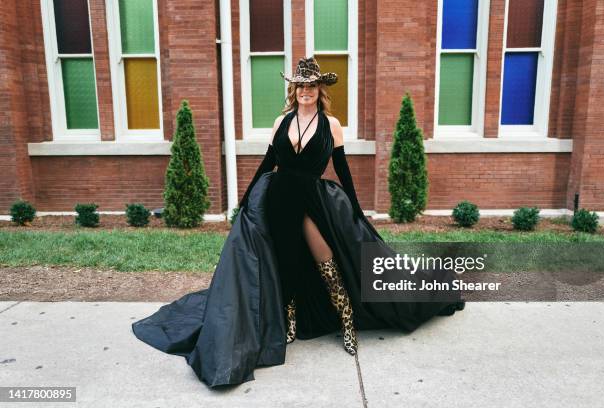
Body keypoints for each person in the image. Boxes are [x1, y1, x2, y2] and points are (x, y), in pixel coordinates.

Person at [132, 56, 465, 388]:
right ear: (295, 89)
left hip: (311, 202)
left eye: (311, 85)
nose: (306, 90)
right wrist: (246, 200)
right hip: (278, 200)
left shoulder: (331, 125)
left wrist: (356, 207)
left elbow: (343, 168)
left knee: (327, 262)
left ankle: (347, 323)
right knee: (287, 262)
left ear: (320, 89)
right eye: (300, 85)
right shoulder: (281, 122)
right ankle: (290, 322)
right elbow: (267, 163)